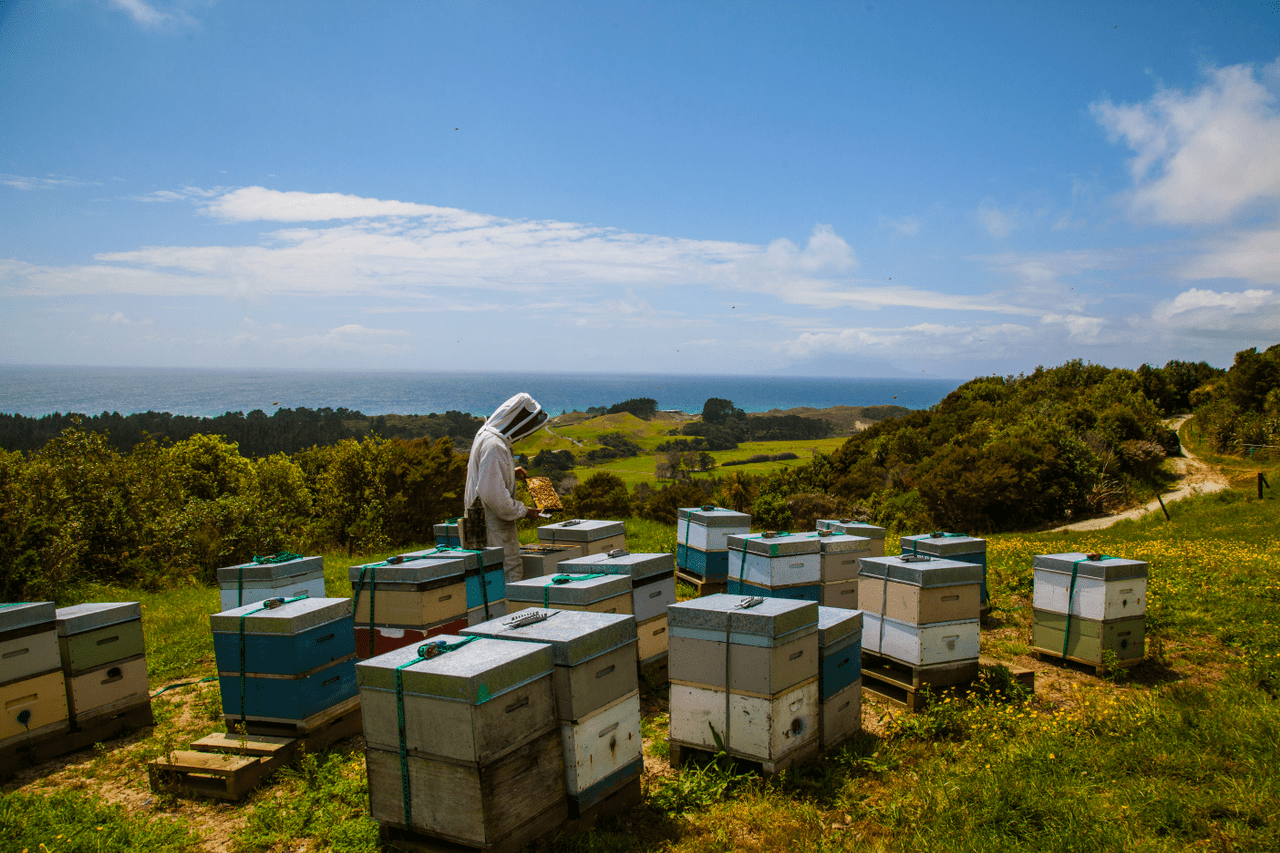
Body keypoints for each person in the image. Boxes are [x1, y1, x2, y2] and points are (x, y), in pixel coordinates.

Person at [464, 392, 548, 585]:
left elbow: (484, 475)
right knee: (506, 576)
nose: (528, 429)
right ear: (517, 419)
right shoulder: (495, 446)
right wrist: (525, 511)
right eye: (528, 424)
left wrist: (510, 472)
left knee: (484, 580)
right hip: (492, 526)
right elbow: (494, 496)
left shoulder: (485, 435)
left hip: (477, 521)